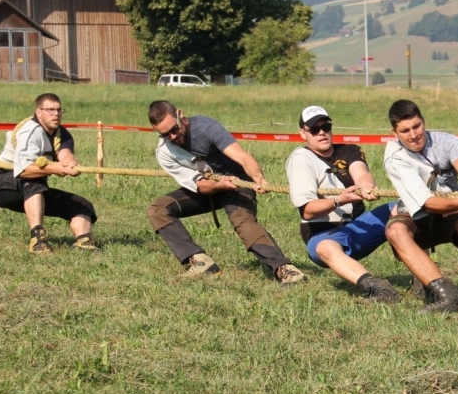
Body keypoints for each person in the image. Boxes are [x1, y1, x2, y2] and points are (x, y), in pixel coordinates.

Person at [145, 100, 305, 283]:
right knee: (157, 209)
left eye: (174, 129)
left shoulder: (206, 127)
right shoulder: (164, 152)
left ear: (180, 115)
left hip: (237, 181)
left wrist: (258, 178)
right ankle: (200, 262)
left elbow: (243, 157)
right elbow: (199, 185)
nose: (172, 136)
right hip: (208, 187)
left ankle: (286, 270)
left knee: (242, 221)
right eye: (165, 135)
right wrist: (220, 184)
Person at [382, 99, 458, 312]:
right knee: (395, 230)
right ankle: (448, 297)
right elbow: (425, 203)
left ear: (424, 121)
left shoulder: (447, 142)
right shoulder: (394, 157)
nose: (413, 135)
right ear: (394, 133)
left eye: (416, 126)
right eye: (405, 131)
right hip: (418, 210)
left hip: (454, 208)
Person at [285, 105, 399, 302]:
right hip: (323, 234)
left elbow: (361, 173)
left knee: (405, 208)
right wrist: (338, 200)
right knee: (325, 248)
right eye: (314, 129)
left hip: (358, 226)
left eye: (326, 127)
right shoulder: (300, 159)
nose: (322, 132)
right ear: (302, 133)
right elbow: (307, 211)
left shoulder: (349, 150)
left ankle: (424, 282)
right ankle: (378, 288)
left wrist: (366, 186)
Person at [0, 92, 98, 253]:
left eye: (59, 110)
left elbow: (65, 154)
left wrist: (71, 164)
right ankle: (37, 240)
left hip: (32, 190)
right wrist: (55, 168)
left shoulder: (61, 133)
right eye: (50, 110)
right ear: (39, 112)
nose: (56, 114)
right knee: (35, 180)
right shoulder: (30, 132)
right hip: (1, 184)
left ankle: (84, 241)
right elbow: (24, 170)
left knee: (82, 205)